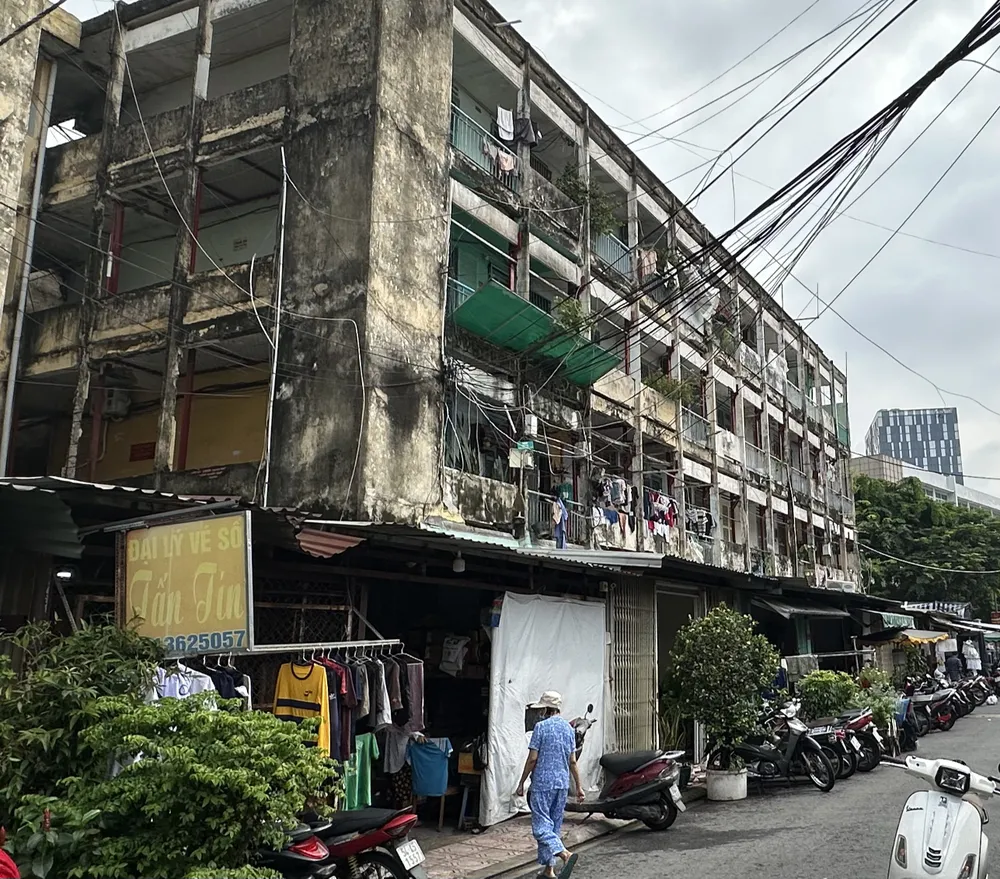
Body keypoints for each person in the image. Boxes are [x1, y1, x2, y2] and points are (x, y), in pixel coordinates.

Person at [515, 691, 583, 879]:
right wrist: (579, 786)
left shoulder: (541, 727)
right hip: (561, 784)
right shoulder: (569, 729)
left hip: (543, 784)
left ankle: (565, 854)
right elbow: (573, 761)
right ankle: (548, 871)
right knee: (553, 826)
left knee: (540, 827)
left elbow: (532, 760)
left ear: (545, 709)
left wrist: (522, 782)